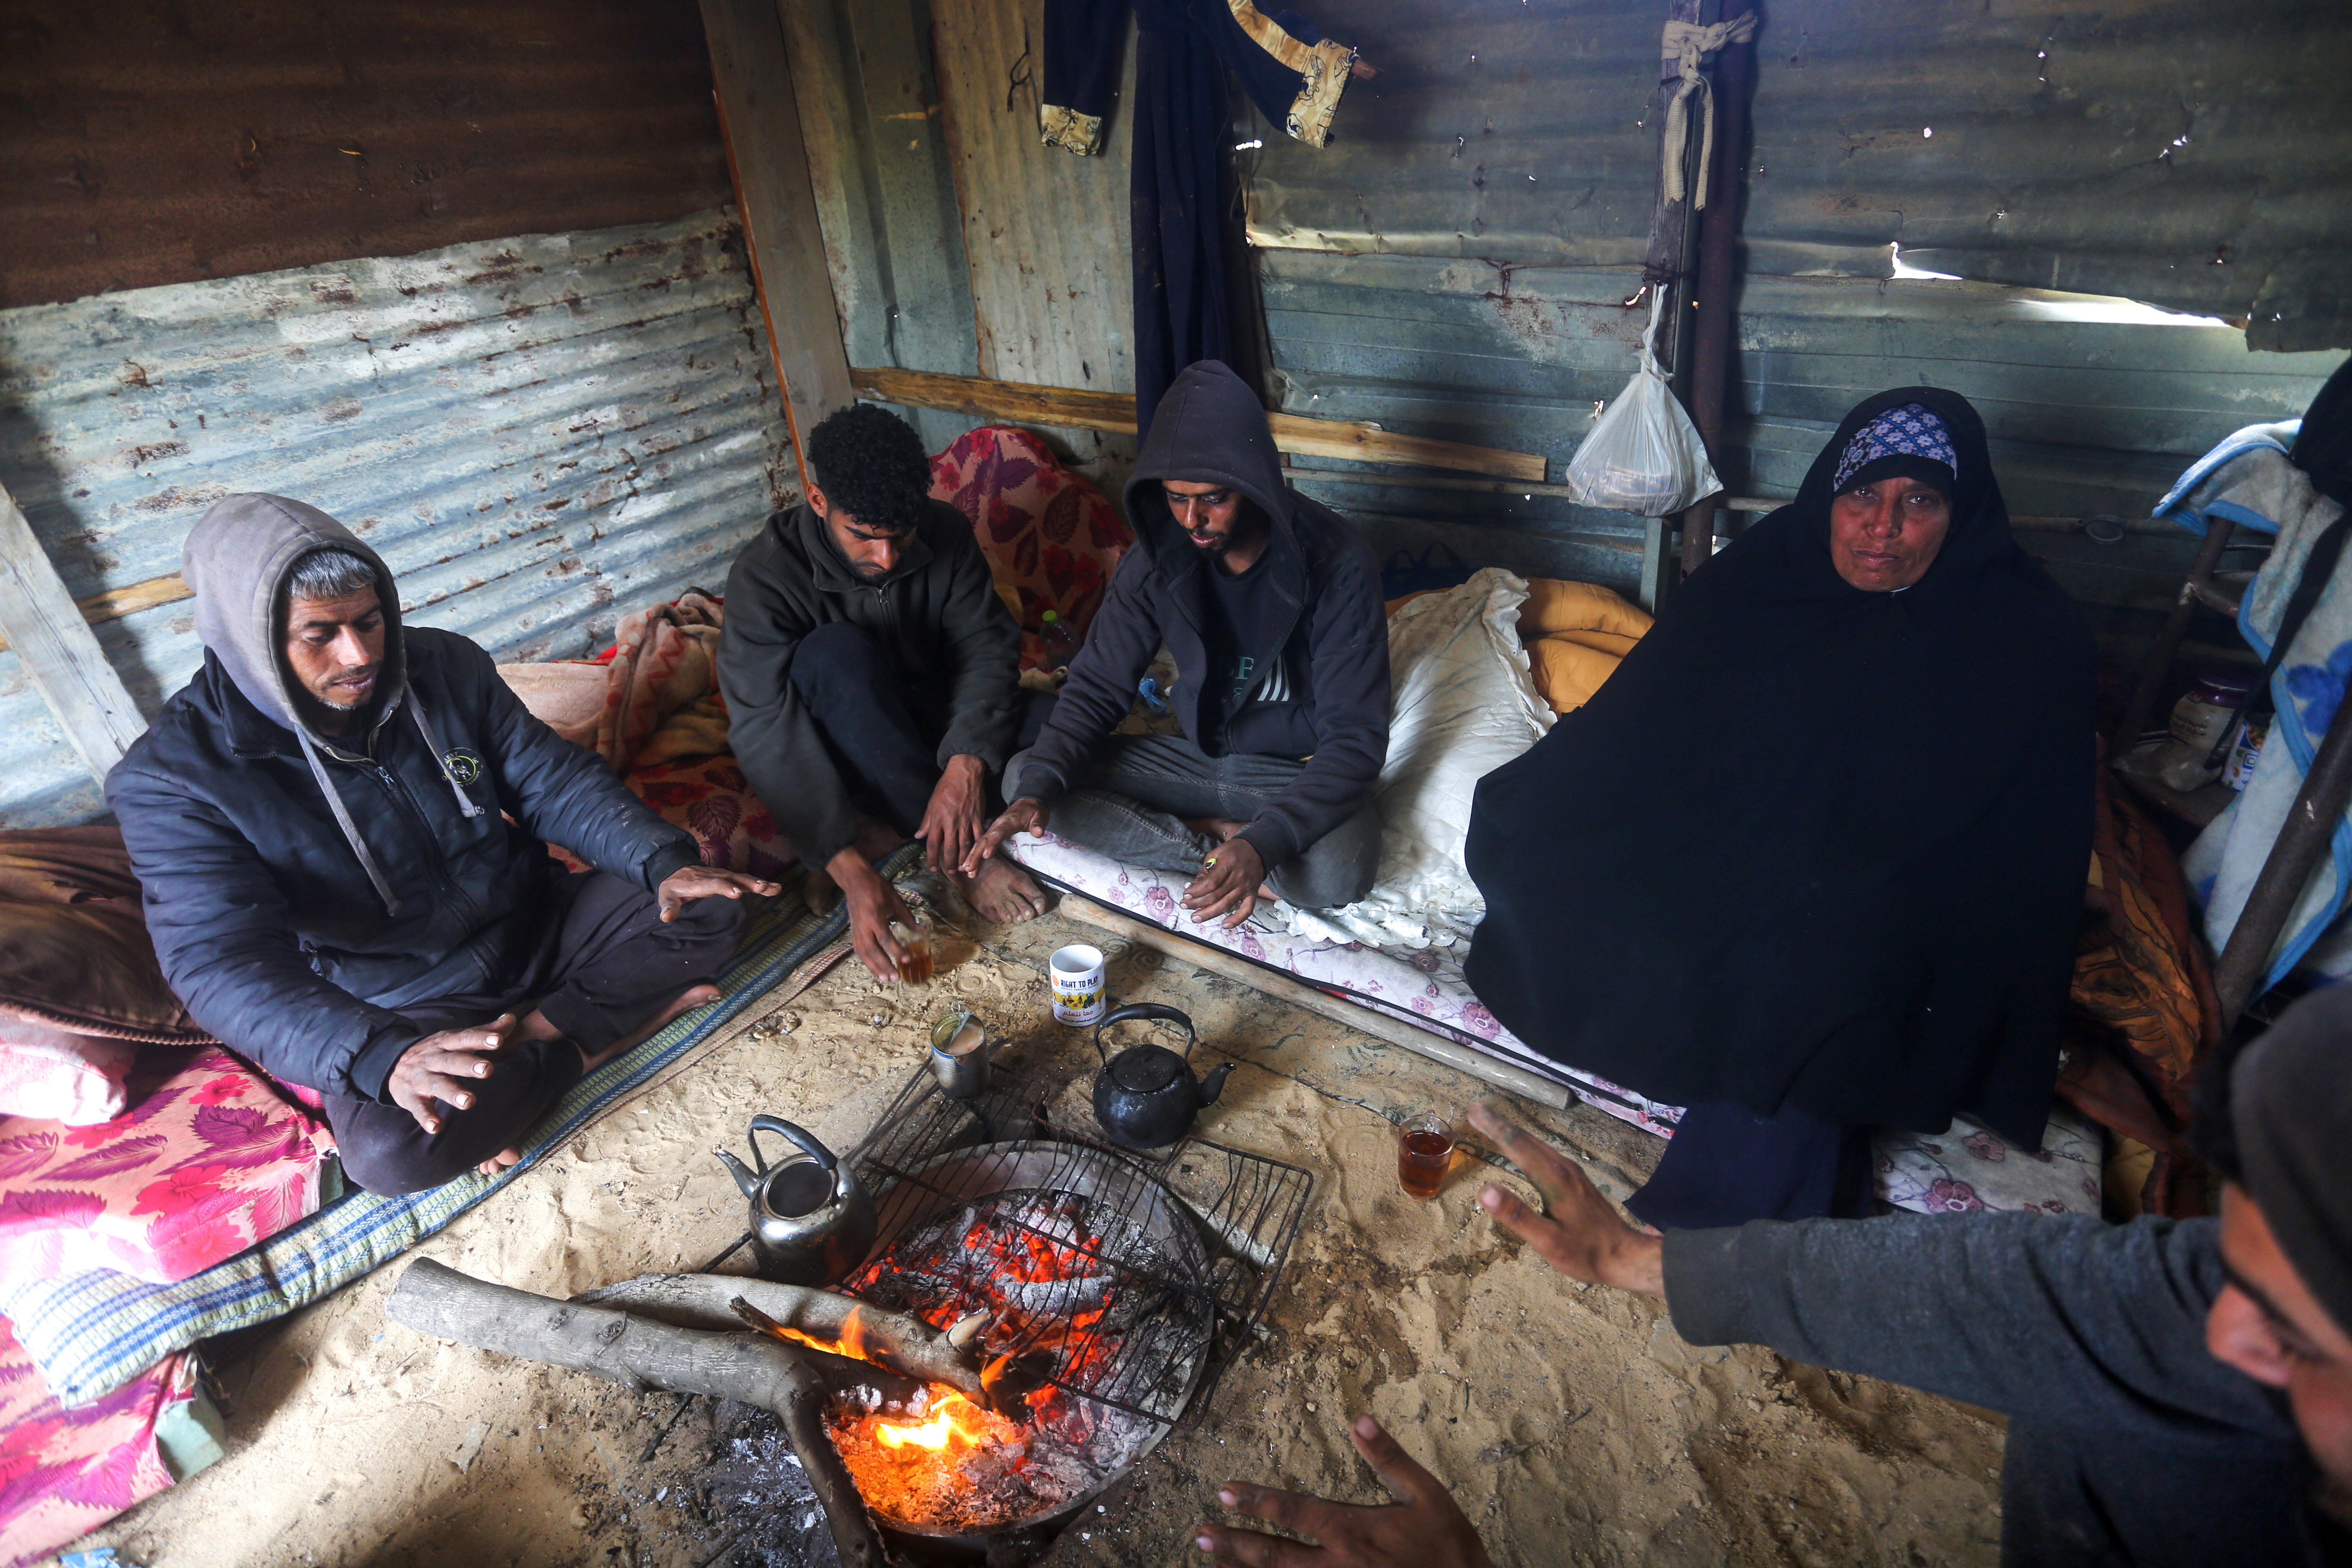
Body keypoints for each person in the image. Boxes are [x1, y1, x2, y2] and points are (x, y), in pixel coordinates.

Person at [1202, 987, 2352, 1568]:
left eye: (2300, 1338)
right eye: (2219, 1271)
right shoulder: (2201, 1324)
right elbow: (2009, 1289)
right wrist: (1652, 1263)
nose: (2231, 1338)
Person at [1463, 387, 2096, 1228]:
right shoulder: (1760, 583)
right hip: (1732, 836)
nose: (1883, 526)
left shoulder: (2020, 630)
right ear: (1827, 498)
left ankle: (1736, 1222)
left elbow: (2015, 836)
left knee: (1822, 971)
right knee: (1538, 837)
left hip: (1897, 877)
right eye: (1862, 495)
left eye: (1920, 502)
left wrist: (1842, 876)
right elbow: (1644, 728)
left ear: (1961, 511)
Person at [106, 495, 775, 1196]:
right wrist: (383, 1056)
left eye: (371, 621)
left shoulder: (442, 665)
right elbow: (220, 962)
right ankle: (587, 1043)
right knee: (386, 1155)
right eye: (319, 635)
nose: (360, 655)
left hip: (537, 921)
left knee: (714, 901)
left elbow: (550, 783)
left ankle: (537, 1047)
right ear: (248, 638)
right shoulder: (175, 779)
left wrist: (663, 864)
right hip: (406, 1001)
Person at [964, 360, 1389, 926]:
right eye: (1175, 498)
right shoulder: (1157, 562)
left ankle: (1247, 850)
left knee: (1342, 867)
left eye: (1214, 498)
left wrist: (1268, 839)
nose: (1193, 519)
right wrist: (1037, 792)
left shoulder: (1338, 562)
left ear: (1253, 484)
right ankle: (1211, 849)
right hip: (1193, 762)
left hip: (1288, 772)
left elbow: (1355, 741)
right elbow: (1096, 688)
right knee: (1027, 777)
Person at [718, 403, 1045, 982]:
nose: (886, 557)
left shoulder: (945, 531)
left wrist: (966, 762)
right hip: (846, 740)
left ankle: (893, 827)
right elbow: (764, 727)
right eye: (864, 537)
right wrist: (844, 867)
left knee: (1059, 724)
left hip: (931, 721)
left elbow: (986, 650)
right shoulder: (765, 576)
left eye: (901, 535)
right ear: (818, 502)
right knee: (832, 655)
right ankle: (959, 862)